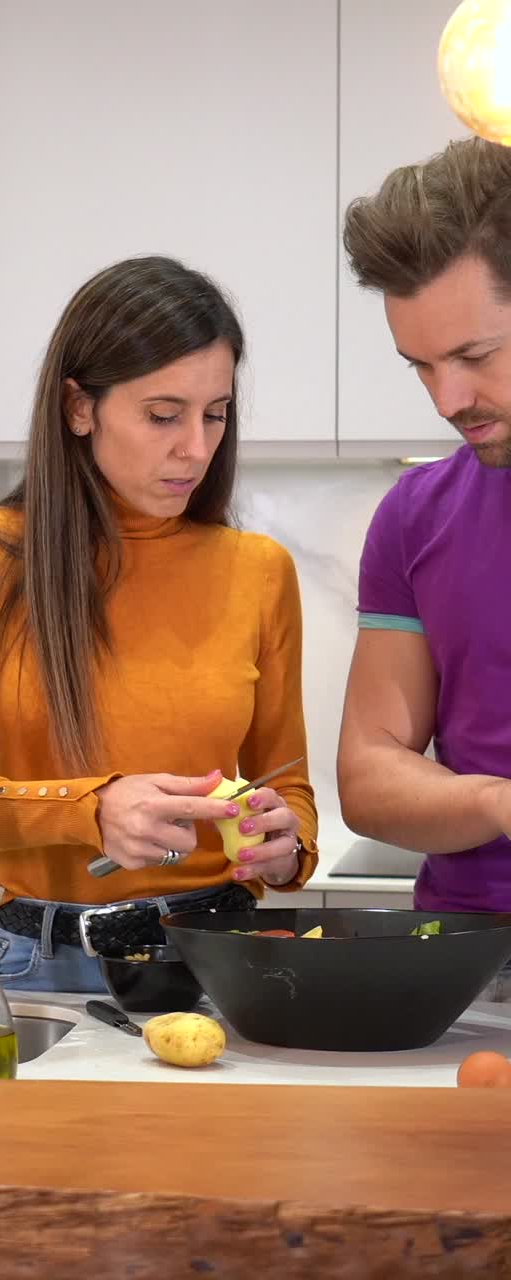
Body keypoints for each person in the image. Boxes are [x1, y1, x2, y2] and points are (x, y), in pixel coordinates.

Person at [0, 255, 318, 992]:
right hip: (33, 965)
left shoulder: (258, 570)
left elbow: (290, 789)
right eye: (162, 415)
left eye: (215, 414)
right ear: (80, 408)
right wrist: (90, 808)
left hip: (221, 956)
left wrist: (285, 843)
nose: (197, 449)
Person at [338, 136, 511, 915]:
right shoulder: (415, 515)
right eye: (421, 365)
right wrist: (497, 805)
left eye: (474, 355)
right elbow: (369, 775)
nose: (448, 400)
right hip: (467, 966)